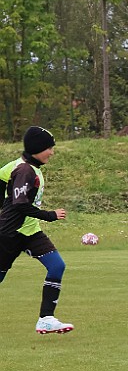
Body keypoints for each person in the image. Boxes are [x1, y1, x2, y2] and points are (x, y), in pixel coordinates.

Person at [0, 126, 73, 334]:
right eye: (49, 148)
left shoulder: (20, 166)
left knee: (57, 266)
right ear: (36, 149)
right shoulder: (25, 171)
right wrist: (50, 215)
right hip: (9, 234)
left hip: (30, 232)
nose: (52, 152)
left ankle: (46, 319)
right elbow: (20, 205)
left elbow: (2, 176)